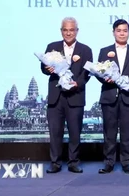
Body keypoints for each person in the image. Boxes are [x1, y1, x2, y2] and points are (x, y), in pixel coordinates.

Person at [40, 17, 93, 174]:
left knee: (75, 132)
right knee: (55, 132)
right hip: (56, 97)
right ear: (61, 30)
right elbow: (43, 67)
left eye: (71, 30)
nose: (68, 33)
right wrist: (46, 69)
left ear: (77, 31)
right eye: (65, 30)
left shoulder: (85, 49)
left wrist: (78, 83)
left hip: (75, 96)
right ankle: (55, 163)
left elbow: (87, 73)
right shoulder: (52, 46)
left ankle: (74, 162)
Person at [97, 19, 129, 174]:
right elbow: (98, 71)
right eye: (119, 30)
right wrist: (104, 78)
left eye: (125, 30)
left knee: (127, 132)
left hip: (128, 97)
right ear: (113, 32)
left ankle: (126, 162)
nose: (122, 33)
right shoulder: (105, 51)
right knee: (109, 132)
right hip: (109, 96)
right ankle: (108, 163)